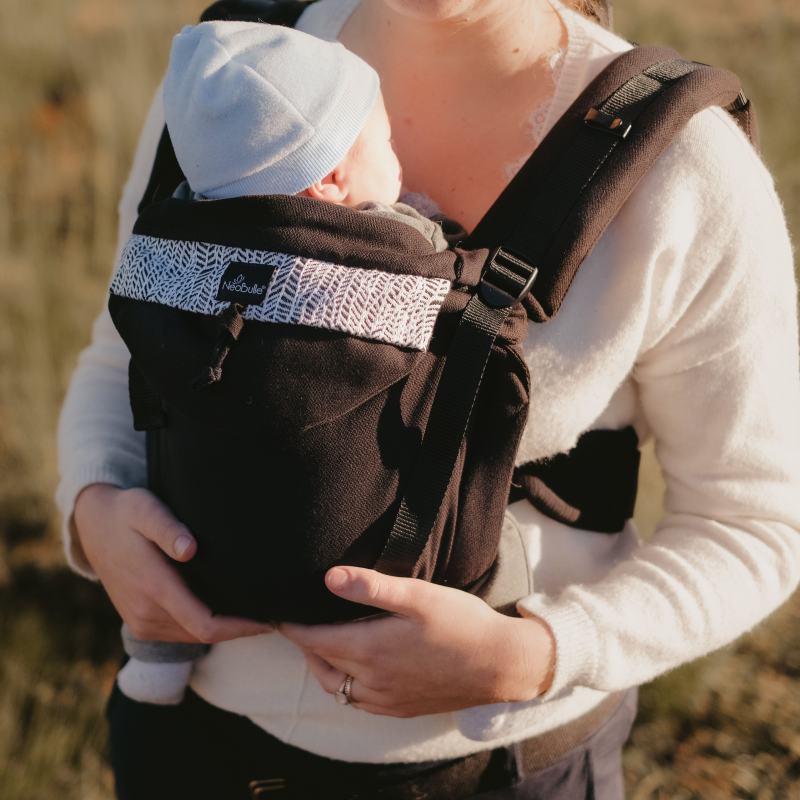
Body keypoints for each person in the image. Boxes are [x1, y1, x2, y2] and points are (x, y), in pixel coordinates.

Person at [57, 0, 800, 797]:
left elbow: (755, 524)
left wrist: (537, 655)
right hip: (198, 743)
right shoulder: (236, 74)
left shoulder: (682, 160)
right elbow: (122, 352)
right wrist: (93, 506)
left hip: (502, 766)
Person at [117, 19, 461, 707]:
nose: (396, 163)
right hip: (364, 568)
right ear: (333, 178)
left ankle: (156, 657)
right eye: (384, 144)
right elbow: (446, 266)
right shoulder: (397, 253)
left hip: (200, 559)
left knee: (189, 512)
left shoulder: (178, 236)